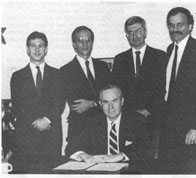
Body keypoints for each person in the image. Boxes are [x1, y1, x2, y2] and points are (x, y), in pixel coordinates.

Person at [158, 7, 196, 173]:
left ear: (190, 26)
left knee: (189, 171)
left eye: (180, 25)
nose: (175, 29)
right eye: (171, 25)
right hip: (169, 126)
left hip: (191, 129)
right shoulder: (169, 49)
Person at [10, 31, 65, 173]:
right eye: (33, 46)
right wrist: (36, 123)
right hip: (27, 138)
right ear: (27, 49)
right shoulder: (17, 77)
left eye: (41, 46)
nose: (37, 50)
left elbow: (60, 102)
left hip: (52, 137)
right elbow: (18, 106)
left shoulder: (57, 74)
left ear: (46, 49)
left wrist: (47, 120)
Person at [112, 16, 167, 158]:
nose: (134, 35)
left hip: (153, 119)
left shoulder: (160, 57)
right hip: (128, 121)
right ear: (126, 36)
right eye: (130, 32)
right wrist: (132, 113)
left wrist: (148, 110)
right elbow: (117, 91)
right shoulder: (119, 59)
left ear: (145, 32)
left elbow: (163, 89)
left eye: (138, 31)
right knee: (129, 160)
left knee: (151, 162)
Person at [65, 84, 150, 162]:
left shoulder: (137, 120)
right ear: (100, 104)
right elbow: (71, 148)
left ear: (122, 101)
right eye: (106, 102)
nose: (110, 107)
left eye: (114, 101)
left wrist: (122, 156)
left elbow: (147, 148)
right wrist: (81, 154)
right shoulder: (91, 122)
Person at [60, 26, 112, 145]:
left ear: (92, 43)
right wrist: (99, 101)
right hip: (80, 130)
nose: (85, 44)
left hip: (103, 127)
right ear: (74, 44)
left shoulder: (103, 67)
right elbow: (77, 104)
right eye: (80, 40)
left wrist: (92, 103)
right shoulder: (65, 71)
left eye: (88, 40)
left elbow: (110, 95)